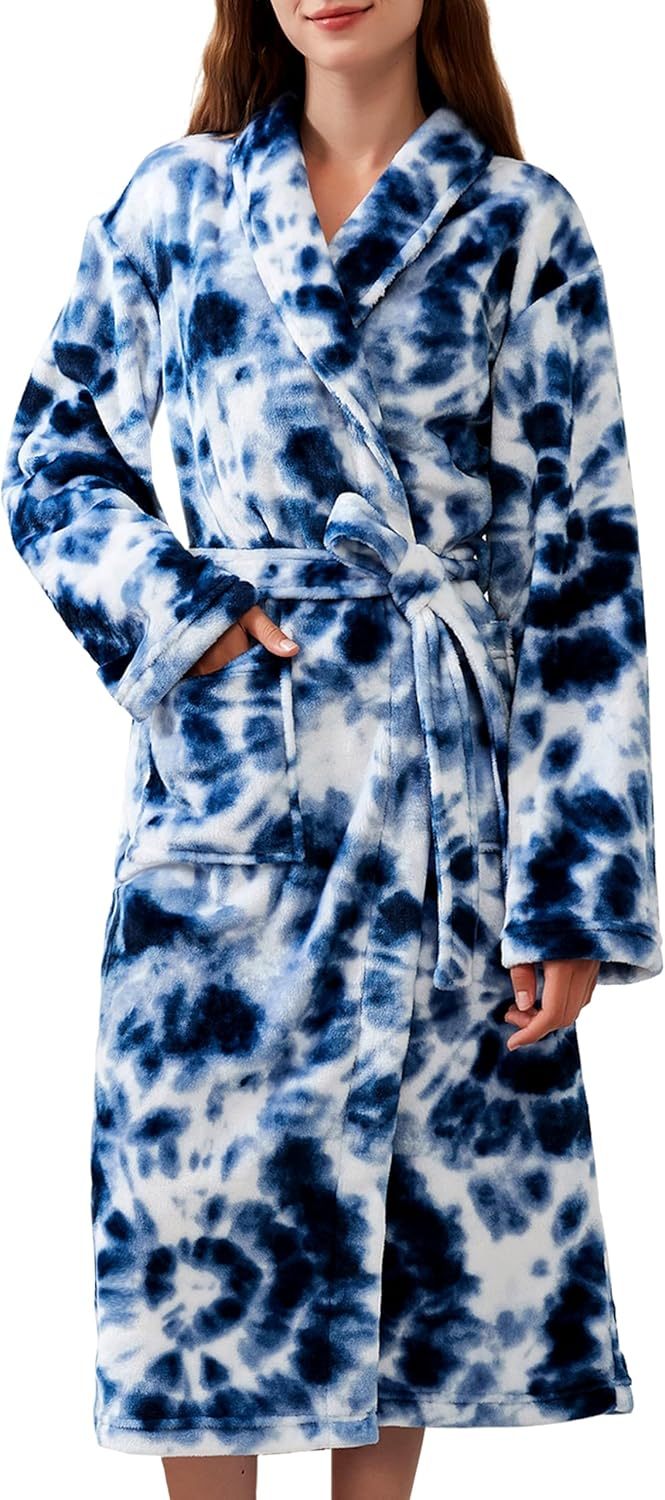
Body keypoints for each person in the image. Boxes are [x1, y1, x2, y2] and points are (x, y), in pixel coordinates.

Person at [2, 1, 661, 1498]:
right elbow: (50, 453)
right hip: (226, 818)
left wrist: (569, 887)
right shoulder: (175, 204)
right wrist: (190, 619)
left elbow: (583, 572)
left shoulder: (522, 227)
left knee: (401, 1254)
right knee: (202, 1248)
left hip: (437, 820)